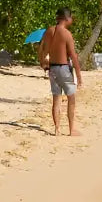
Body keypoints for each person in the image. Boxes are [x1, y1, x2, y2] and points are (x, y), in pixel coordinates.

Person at [37, 8, 82, 136]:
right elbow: (73, 56)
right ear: (67, 18)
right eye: (71, 17)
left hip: (52, 68)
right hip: (63, 68)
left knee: (56, 99)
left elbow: (42, 49)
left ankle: (57, 129)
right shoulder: (67, 34)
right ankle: (71, 129)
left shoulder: (48, 31)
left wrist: (42, 62)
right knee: (71, 98)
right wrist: (79, 76)